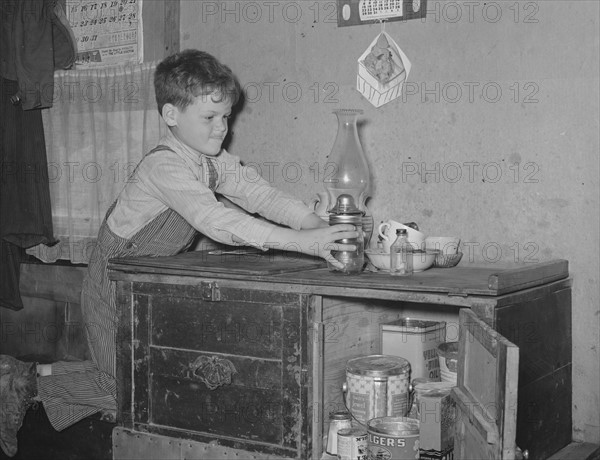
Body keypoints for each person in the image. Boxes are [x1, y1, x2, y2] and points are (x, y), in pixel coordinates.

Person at [0, 49, 358, 457]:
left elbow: (261, 195)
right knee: (130, 392)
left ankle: (28, 373)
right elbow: (217, 220)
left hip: (146, 288)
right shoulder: (165, 167)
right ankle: (26, 382)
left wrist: (312, 223)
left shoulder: (213, 161)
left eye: (225, 116)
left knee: (150, 378)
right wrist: (304, 243)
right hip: (109, 286)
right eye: (209, 118)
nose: (221, 128)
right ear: (171, 115)